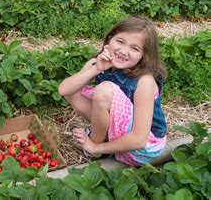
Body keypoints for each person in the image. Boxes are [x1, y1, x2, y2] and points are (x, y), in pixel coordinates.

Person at [58, 16, 168, 166]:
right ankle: (102, 141)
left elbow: (139, 139)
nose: (123, 51)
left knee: (104, 91)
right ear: (109, 39)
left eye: (134, 48)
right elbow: (65, 90)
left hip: (142, 149)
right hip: (123, 132)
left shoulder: (145, 82)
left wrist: (96, 147)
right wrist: (96, 69)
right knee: (76, 89)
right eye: (120, 41)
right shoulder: (98, 62)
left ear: (144, 55)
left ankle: (96, 148)